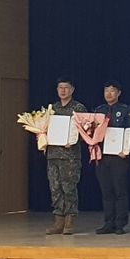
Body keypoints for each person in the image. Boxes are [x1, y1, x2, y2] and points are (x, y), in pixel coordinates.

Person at [45, 77, 87, 235]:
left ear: (72, 89)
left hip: (70, 155)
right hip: (53, 154)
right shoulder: (52, 109)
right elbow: (45, 127)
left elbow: (85, 130)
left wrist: (74, 139)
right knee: (55, 187)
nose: (63, 91)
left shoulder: (78, 108)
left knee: (69, 187)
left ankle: (69, 219)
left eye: (66, 87)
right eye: (60, 87)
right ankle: (58, 220)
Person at [94, 80, 130, 235]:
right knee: (106, 191)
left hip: (119, 157)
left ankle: (120, 224)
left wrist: (125, 150)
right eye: (106, 90)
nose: (109, 94)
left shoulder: (126, 110)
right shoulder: (99, 111)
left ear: (118, 93)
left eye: (112, 91)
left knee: (119, 191)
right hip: (102, 156)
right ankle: (108, 222)